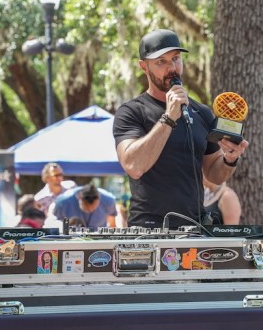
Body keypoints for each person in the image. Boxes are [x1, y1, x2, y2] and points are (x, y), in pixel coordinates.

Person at [113, 29, 249, 228]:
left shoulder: (202, 112)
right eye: (161, 62)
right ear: (144, 67)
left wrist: (230, 158)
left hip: (194, 227)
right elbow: (134, 166)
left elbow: (214, 175)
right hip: (149, 227)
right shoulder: (132, 111)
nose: (172, 68)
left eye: (176, 58)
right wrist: (169, 117)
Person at [52, 184, 118, 230]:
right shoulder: (62, 202)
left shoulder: (109, 201)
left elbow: (112, 224)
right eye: (87, 208)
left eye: (93, 208)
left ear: (99, 199)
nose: (90, 210)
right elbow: (55, 224)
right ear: (79, 197)